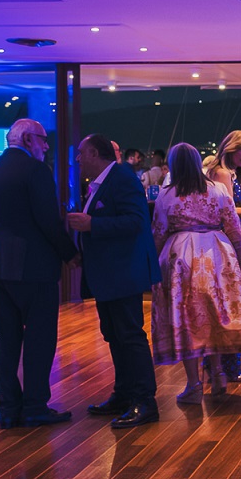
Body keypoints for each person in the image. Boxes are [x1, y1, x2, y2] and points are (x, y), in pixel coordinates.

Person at [0, 118, 78, 429]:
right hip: (34, 267)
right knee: (39, 339)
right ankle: (34, 406)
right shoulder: (36, 171)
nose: (46, 146)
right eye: (43, 140)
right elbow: (48, 220)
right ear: (28, 139)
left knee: (5, 340)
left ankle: (8, 409)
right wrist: (70, 254)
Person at [151, 143, 241, 401]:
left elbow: (158, 232)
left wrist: (154, 265)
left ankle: (194, 384)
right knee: (214, 314)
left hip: (180, 256)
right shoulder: (218, 189)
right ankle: (219, 373)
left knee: (187, 319)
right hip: (216, 252)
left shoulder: (167, 195)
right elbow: (234, 228)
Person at [68, 134, 163, 429]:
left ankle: (145, 401)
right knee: (114, 335)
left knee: (129, 336)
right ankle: (123, 394)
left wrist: (92, 224)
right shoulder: (106, 180)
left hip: (123, 272)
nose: (78, 159)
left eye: (81, 153)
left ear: (95, 154)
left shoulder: (121, 178)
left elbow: (136, 221)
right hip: (110, 273)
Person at [209, 130, 241, 381]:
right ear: (231, 147)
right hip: (230, 242)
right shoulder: (222, 173)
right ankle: (226, 367)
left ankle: (222, 366)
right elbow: (228, 212)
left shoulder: (228, 172)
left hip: (234, 240)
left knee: (230, 304)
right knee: (232, 304)